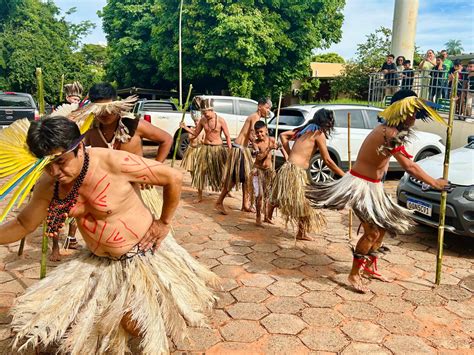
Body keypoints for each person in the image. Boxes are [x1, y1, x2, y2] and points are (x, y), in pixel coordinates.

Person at [0, 117, 218, 353]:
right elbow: (24, 223)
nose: (55, 171)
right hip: (96, 262)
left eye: (60, 161)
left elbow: (172, 178)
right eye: (46, 165)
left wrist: (163, 223)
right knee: (59, 329)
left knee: (134, 324)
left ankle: (154, 307)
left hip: (141, 256)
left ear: (79, 146)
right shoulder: (49, 183)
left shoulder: (114, 163)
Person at [306, 90, 449, 293]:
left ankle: (369, 268)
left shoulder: (390, 131)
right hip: (360, 187)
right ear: (400, 110)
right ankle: (354, 274)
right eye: (412, 112)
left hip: (374, 187)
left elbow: (385, 162)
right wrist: (435, 183)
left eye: (416, 112)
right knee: (372, 232)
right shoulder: (389, 133)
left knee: (381, 229)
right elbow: (409, 167)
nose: (414, 117)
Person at [271, 108, 344, 241]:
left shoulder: (305, 129)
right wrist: (344, 176)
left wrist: (288, 155)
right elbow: (327, 160)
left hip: (289, 169)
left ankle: (271, 215)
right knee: (306, 203)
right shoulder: (318, 133)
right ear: (326, 121)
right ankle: (301, 232)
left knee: (287, 198)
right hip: (296, 172)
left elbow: (283, 135)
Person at [215, 97, 272, 214]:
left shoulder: (257, 118)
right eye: (267, 108)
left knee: (246, 178)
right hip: (239, 150)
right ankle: (219, 202)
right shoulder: (255, 117)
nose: (268, 111)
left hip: (243, 149)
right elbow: (252, 135)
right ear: (260, 106)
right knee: (235, 179)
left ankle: (245, 204)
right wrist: (256, 147)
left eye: (269, 109)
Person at [186, 97, 231, 202]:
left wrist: (230, 150)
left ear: (211, 110)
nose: (205, 115)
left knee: (223, 171)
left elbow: (228, 136)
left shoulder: (221, 120)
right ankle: (199, 196)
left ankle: (227, 191)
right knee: (200, 171)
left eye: (206, 113)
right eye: (203, 113)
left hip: (218, 149)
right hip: (205, 148)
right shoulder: (202, 120)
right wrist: (186, 128)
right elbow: (196, 133)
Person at [250, 120, 287, 227]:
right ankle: (258, 217)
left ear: (266, 130)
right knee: (259, 195)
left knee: (267, 195)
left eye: (261, 131)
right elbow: (260, 157)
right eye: (257, 133)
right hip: (258, 171)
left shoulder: (271, 140)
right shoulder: (255, 144)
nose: (259, 134)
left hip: (269, 172)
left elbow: (281, 147)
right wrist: (269, 148)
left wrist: (287, 159)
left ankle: (266, 217)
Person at [180, 103, 205, 179]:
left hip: (199, 150)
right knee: (191, 169)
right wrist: (190, 130)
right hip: (191, 150)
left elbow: (204, 140)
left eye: (197, 121)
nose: (196, 123)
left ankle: (198, 182)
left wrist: (202, 141)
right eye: (195, 122)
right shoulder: (192, 129)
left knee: (199, 168)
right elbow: (190, 138)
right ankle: (194, 179)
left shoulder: (203, 130)